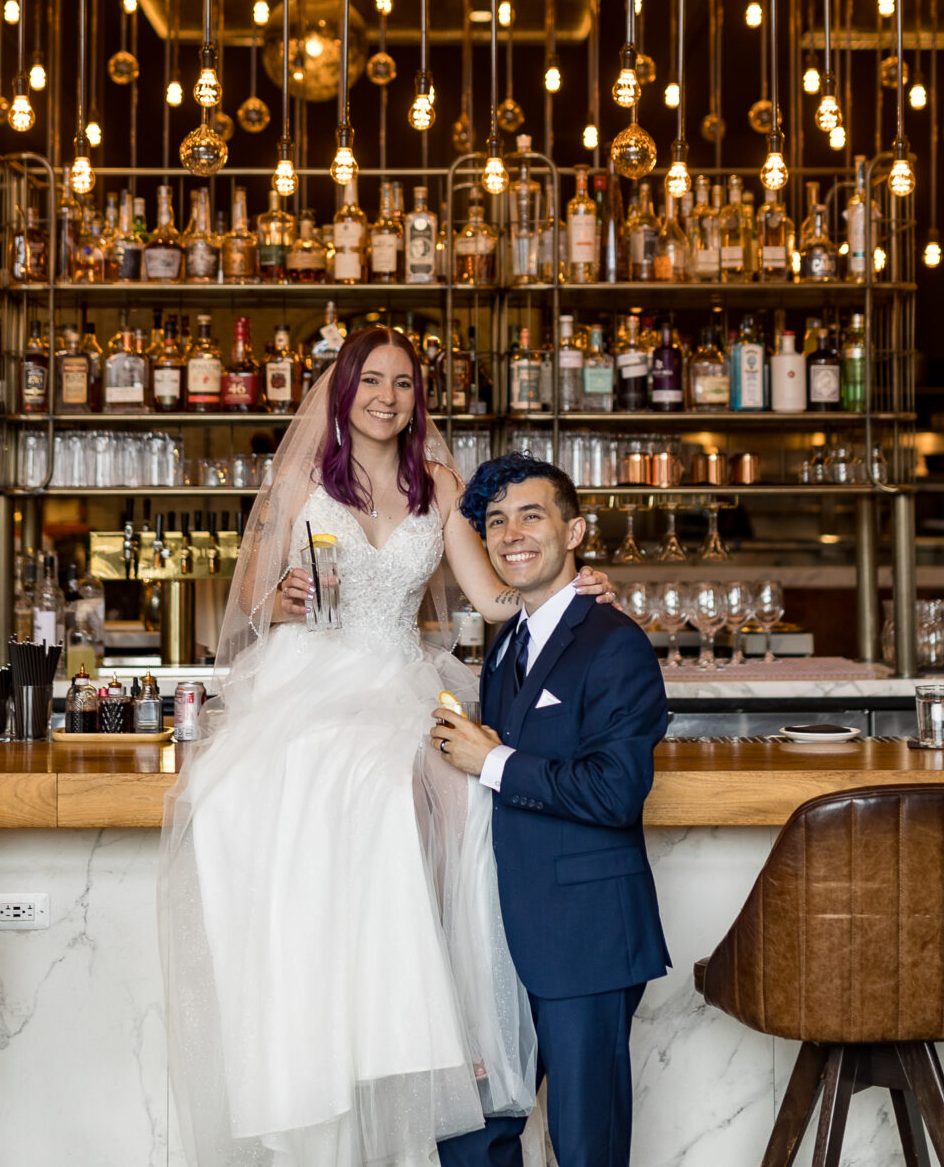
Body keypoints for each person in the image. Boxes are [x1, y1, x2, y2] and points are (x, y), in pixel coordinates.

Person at [161, 326, 616, 1167]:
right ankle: (327, 1039)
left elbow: (489, 598)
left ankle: (432, 1037)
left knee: (448, 794)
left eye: (404, 383)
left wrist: (563, 582)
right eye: (371, 380)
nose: (387, 396)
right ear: (342, 390)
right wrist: (285, 599)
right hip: (312, 675)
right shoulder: (303, 475)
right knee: (300, 793)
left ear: (419, 396)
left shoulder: (441, 484)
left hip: (400, 672)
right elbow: (250, 594)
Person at [430, 452, 670, 1167]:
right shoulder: (509, 641)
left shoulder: (615, 642)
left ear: (575, 532)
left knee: (583, 1141)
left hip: (585, 935)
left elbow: (615, 789)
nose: (510, 534)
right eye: (496, 521)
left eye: (531, 515)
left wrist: (492, 761)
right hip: (501, 932)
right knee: (475, 1138)